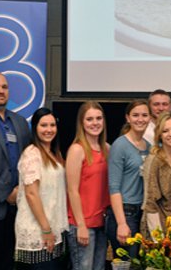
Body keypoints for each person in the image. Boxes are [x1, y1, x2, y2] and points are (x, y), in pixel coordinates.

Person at [0, 72, 31, 270]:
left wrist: (20, 191)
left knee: (10, 264)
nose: (1, 91)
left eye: (4, 87)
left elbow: (30, 160)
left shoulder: (20, 122)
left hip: (18, 210)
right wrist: (6, 193)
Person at [15, 108, 68, 269]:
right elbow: (31, 194)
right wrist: (46, 229)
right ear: (35, 128)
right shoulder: (32, 153)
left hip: (53, 229)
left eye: (52, 125)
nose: (49, 130)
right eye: (44, 125)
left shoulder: (54, 153)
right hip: (38, 231)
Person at [66, 101, 110, 270]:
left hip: (101, 224)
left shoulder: (106, 148)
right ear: (82, 123)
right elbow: (72, 190)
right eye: (89, 119)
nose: (95, 123)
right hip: (83, 225)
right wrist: (81, 225)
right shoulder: (77, 150)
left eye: (99, 118)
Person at [106, 100, 151, 258]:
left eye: (144, 115)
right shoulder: (120, 145)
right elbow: (114, 187)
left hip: (142, 214)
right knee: (127, 264)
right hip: (125, 214)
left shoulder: (149, 146)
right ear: (128, 118)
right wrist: (122, 223)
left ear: (150, 118)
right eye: (135, 115)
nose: (140, 119)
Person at [142, 112, 171, 238]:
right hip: (158, 228)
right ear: (159, 135)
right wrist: (158, 239)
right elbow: (150, 202)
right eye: (165, 131)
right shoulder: (154, 160)